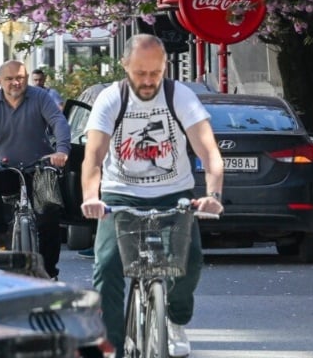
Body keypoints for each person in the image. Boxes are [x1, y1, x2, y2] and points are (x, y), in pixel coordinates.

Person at [79, 35, 224, 358]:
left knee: (190, 260)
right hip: (120, 195)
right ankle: (112, 345)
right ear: (125, 66)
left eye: (155, 73)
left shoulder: (180, 96)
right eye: (140, 73)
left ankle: (174, 318)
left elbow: (208, 150)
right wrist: (92, 196)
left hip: (174, 193)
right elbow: (94, 155)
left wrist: (213, 193)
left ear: (164, 68)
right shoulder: (110, 99)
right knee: (108, 266)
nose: (148, 81)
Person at [0, 60, 70, 277]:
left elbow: (58, 122)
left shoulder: (40, 97)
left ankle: (48, 272)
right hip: (6, 168)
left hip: (40, 167)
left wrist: (61, 150)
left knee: (49, 217)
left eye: (20, 78)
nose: (16, 82)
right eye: (10, 79)